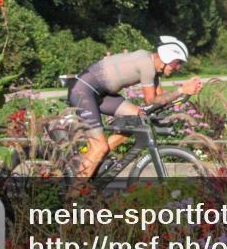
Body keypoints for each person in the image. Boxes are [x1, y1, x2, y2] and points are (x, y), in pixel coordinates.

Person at [67, 36, 203, 177]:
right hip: (83, 91)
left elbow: (159, 102)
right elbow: (151, 101)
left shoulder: (153, 69)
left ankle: (94, 160)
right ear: (167, 57)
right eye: (177, 63)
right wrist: (180, 90)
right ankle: (74, 194)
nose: (178, 68)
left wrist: (187, 93)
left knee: (138, 118)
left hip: (100, 94)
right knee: (99, 146)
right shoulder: (146, 65)